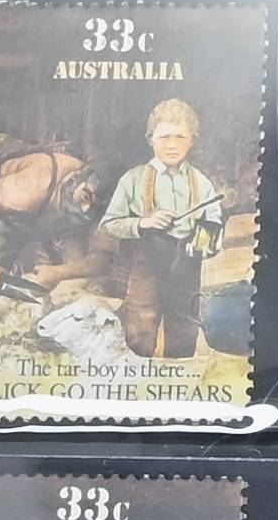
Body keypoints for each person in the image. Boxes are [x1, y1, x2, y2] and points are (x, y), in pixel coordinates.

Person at [96, 93, 238, 364]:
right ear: (150, 139)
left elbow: (213, 223)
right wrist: (143, 222)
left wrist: (206, 242)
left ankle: (177, 378)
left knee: (184, 326)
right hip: (146, 264)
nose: (172, 145)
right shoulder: (133, 180)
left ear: (192, 140)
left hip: (187, 265)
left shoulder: (202, 183)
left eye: (180, 137)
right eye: (164, 137)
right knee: (140, 324)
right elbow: (108, 225)